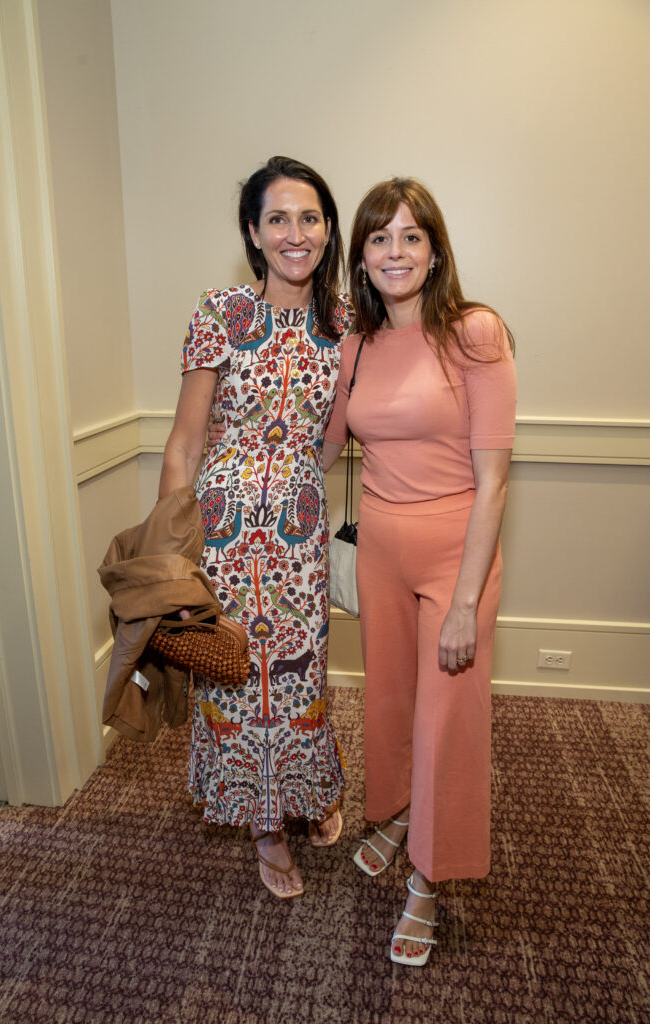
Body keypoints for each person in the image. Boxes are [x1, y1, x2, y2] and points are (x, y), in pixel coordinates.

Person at [323, 178, 517, 964]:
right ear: (361, 257)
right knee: (391, 701)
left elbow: (493, 480)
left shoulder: (474, 333)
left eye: (410, 236)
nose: (394, 252)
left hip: (453, 557)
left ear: (434, 252)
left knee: (446, 722)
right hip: (378, 552)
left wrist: (465, 601)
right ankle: (401, 813)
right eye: (379, 238)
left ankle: (428, 879)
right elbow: (321, 452)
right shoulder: (355, 347)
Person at [159, 156, 355, 899]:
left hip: (299, 538)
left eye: (309, 218)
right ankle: (266, 827)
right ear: (252, 231)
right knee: (236, 676)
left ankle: (310, 788)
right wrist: (174, 562)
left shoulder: (345, 321)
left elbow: (335, 435)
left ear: (328, 228)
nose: (294, 234)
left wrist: (294, 479)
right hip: (223, 535)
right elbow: (183, 445)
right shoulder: (221, 312)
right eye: (277, 218)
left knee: (301, 673)